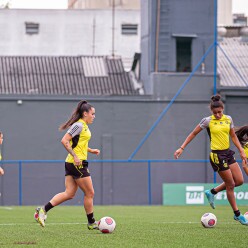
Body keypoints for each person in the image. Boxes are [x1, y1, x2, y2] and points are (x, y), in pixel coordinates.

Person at [174, 94, 248, 225]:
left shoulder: (228, 119)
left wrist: (241, 150)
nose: (218, 115)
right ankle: (237, 214)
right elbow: (193, 133)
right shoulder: (207, 121)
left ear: (223, 109)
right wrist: (182, 148)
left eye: (220, 112)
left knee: (240, 181)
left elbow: (233, 136)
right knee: (230, 184)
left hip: (228, 154)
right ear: (211, 112)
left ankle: (212, 192)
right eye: (215, 113)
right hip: (217, 156)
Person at [35, 100, 100, 229]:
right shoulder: (79, 125)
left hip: (72, 163)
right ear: (85, 113)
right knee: (90, 193)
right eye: (92, 113)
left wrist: (90, 150)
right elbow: (64, 140)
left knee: (69, 193)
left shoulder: (84, 126)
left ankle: (43, 210)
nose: (94, 116)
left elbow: (78, 144)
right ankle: (91, 222)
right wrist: (76, 156)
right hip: (77, 164)